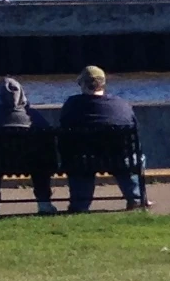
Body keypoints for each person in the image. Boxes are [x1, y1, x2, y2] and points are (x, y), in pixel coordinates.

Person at [57, 65, 145, 212]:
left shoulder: (72, 105)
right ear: (103, 83)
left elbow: (64, 129)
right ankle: (136, 198)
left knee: (79, 161)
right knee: (129, 157)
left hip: (84, 160)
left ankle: (80, 204)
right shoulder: (120, 104)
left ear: (82, 84)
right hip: (120, 158)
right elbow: (134, 127)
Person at [0, 76, 48, 217]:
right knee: (41, 164)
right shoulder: (32, 115)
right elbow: (48, 134)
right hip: (31, 163)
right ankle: (44, 204)